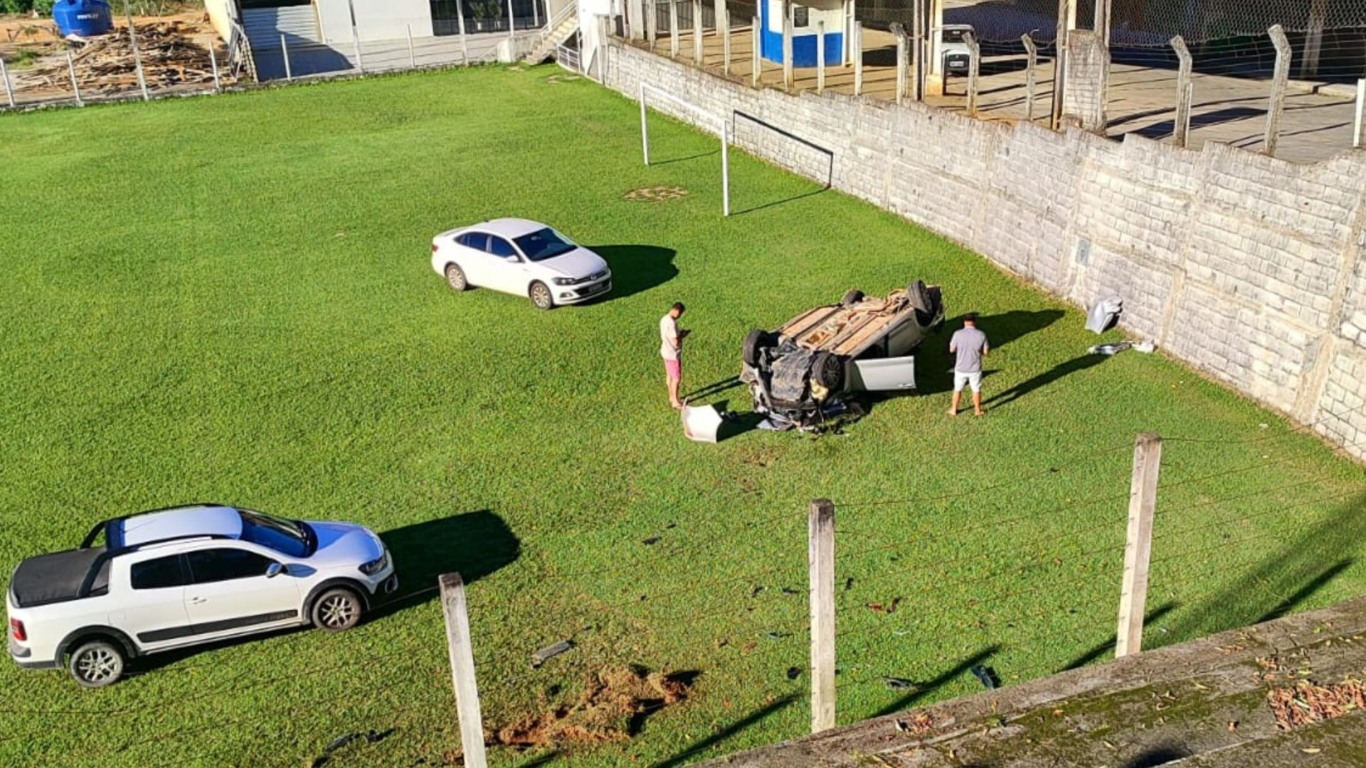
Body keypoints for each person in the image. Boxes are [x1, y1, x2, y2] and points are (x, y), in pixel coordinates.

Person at [948, 313, 989, 417]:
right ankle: (977, 410)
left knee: (957, 389)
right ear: (974, 322)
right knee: (976, 389)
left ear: (964, 322)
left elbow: (951, 349)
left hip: (960, 368)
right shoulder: (981, 334)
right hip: (975, 368)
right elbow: (986, 352)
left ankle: (953, 409)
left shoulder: (957, 334)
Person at [660, 302, 689, 410]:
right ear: (677, 311)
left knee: (669, 376)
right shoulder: (672, 324)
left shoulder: (664, 319)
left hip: (665, 351)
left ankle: (671, 397)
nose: (680, 316)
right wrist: (682, 335)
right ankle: (675, 402)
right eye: (680, 314)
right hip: (673, 354)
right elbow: (675, 342)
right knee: (676, 378)